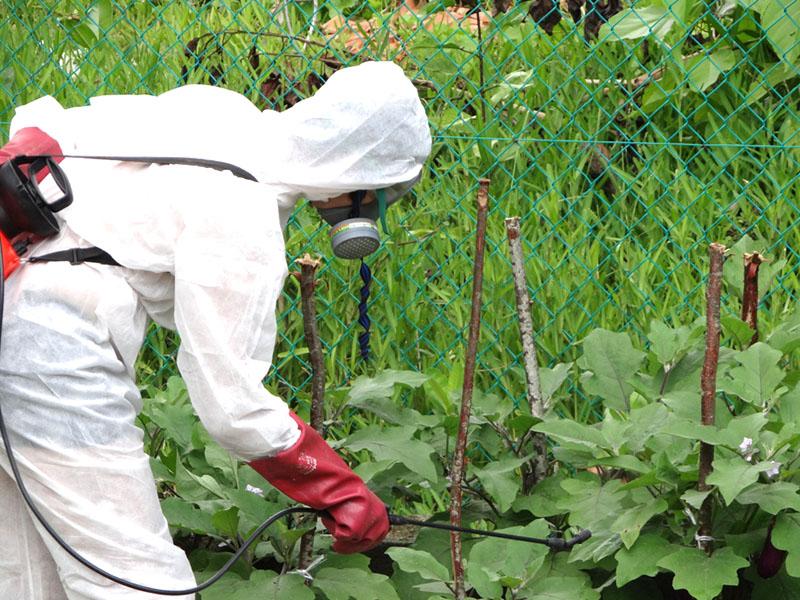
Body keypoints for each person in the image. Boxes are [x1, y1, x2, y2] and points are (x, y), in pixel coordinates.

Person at [0, 60, 432, 599]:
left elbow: (48, 127)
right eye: (384, 193)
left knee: (27, 573)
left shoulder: (225, 116)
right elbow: (231, 406)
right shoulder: (245, 213)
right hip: (51, 350)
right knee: (138, 582)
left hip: (15, 285)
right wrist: (337, 490)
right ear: (358, 176)